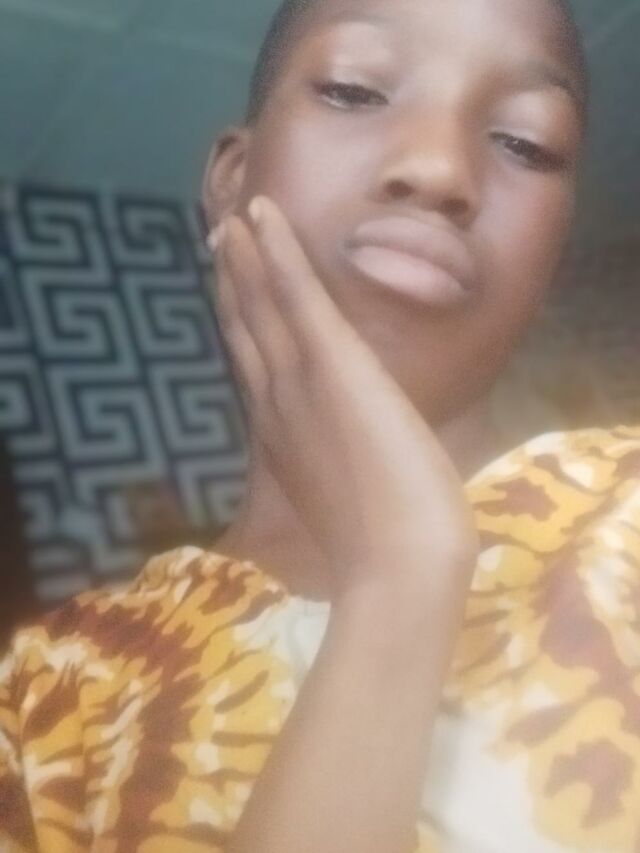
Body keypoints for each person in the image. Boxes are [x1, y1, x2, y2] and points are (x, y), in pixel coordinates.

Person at [1, 0, 639, 851]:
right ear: (232, 176)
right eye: (352, 90)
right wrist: (398, 574)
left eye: (526, 143)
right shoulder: (45, 700)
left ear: (553, 247)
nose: (439, 168)